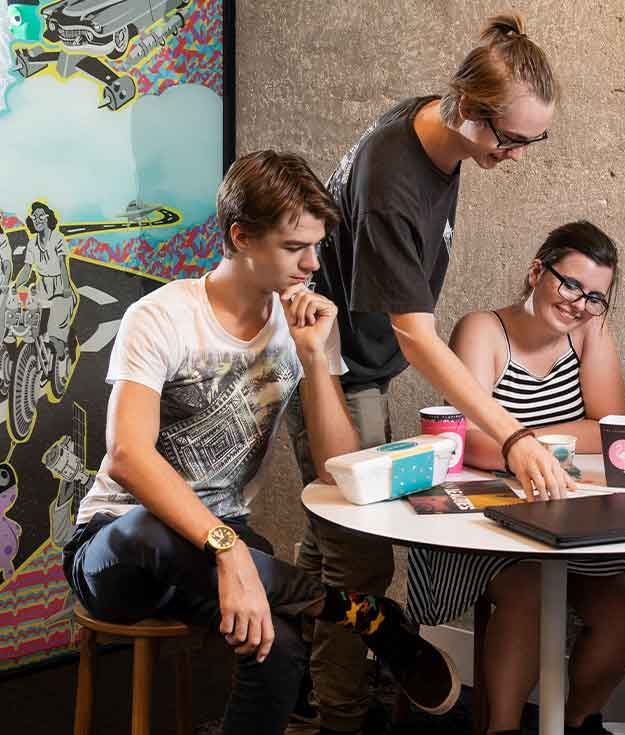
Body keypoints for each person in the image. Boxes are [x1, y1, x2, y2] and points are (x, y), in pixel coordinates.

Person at [62, 151, 460, 735]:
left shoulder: (300, 321)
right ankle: (359, 614)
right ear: (241, 236)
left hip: (227, 546)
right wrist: (226, 550)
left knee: (280, 651)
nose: (313, 264)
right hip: (119, 548)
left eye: (317, 247)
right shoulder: (163, 317)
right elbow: (126, 456)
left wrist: (315, 359)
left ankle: (313, 606)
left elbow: (334, 467)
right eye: (295, 247)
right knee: (151, 530)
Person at [286, 13, 574, 734]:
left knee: (327, 546)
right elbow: (417, 336)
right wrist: (513, 438)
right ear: (467, 110)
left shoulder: (434, 129)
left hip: (357, 363)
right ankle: (340, 716)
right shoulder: (394, 179)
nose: (515, 155)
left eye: (531, 141)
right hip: (332, 366)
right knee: (360, 564)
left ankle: (299, 686)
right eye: (509, 139)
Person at [406, 221, 625, 735]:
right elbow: (469, 441)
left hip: (561, 508)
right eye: (569, 284)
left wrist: (519, 438)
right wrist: (536, 443)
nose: (579, 304)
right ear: (537, 271)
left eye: (594, 297)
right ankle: (505, 729)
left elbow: (614, 430)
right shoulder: (482, 330)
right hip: (478, 516)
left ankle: (578, 722)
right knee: (529, 585)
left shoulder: (591, 333)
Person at [14, 200, 76, 391]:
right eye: (35, 217)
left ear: (48, 218)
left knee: (54, 334)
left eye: (42, 215)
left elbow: (63, 265)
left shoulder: (57, 238)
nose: (38, 219)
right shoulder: (32, 243)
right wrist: (15, 285)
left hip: (59, 288)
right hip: (42, 288)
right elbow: (26, 269)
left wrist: (65, 288)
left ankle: (62, 359)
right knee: (34, 328)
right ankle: (43, 365)